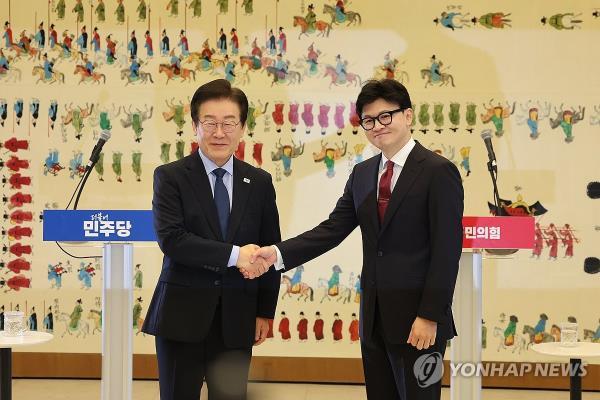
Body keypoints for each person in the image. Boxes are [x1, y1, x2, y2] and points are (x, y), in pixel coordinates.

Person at [248, 79, 464, 400]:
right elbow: (332, 229)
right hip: (374, 320)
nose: (377, 126)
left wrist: (429, 315)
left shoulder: (438, 171)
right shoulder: (363, 173)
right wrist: (277, 255)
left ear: (408, 116)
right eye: (368, 120)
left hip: (419, 323)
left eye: (385, 116)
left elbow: (447, 251)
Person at [142, 79, 281, 400]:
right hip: (181, 317)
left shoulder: (259, 182)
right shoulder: (171, 176)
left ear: (242, 128)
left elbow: (269, 249)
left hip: (237, 317)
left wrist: (265, 311)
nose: (220, 132)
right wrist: (235, 255)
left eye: (229, 123)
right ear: (195, 126)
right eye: (210, 123)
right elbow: (172, 240)